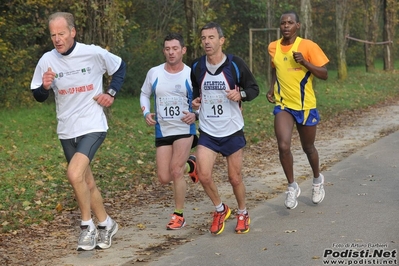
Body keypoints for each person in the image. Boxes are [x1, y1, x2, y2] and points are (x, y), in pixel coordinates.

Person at [30, 12, 126, 251]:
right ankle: (106, 223)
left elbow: (120, 66)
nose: (57, 39)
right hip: (66, 129)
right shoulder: (47, 60)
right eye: (53, 35)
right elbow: (38, 96)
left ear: (72, 32)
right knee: (86, 180)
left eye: (61, 33)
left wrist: (111, 92)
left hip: (92, 125)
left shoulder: (92, 52)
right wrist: (45, 86)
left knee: (74, 174)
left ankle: (87, 227)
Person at [190, 22, 259, 235]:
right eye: (203, 38)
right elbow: (194, 91)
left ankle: (242, 212)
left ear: (221, 40)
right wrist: (195, 102)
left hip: (231, 129)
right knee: (203, 174)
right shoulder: (197, 66)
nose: (207, 42)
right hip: (209, 131)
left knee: (234, 177)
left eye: (211, 37)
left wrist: (241, 95)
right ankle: (220, 209)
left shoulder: (235, 64)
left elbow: (254, 88)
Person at [266, 11, 329, 209]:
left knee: (308, 148)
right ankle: (292, 186)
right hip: (284, 105)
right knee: (283, 146)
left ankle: (317, 180)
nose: (286, 26)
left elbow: (324, 74)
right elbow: (276, 68)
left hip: (305, 106)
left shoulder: (308, 46)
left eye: (290, 23)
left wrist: (305, 62)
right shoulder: (273, 47)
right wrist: (271, 87)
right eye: (283, 23)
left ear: (298, 26)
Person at [140, 33, 198, 230]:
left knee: (175, 170)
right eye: (167, 49)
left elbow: (202, 99)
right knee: (165, 177)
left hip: (184, 128)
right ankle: (191, 165)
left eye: (175, 48)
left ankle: (179, 214)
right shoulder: (154, 73)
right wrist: (146, 112)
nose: (171, 52)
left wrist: (195, 115)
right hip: (163, 130)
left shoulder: (191, 74)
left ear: (183, 50)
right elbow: (144, 93)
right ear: (164, 51)